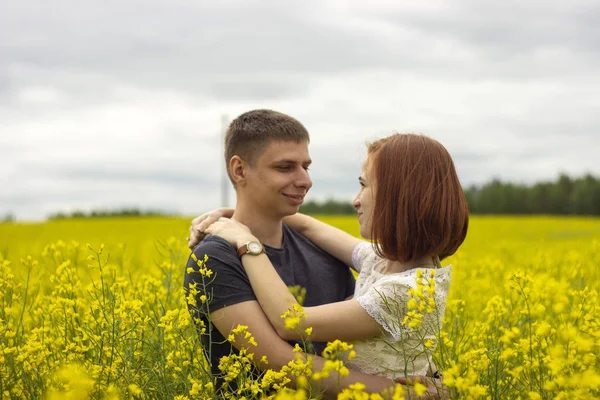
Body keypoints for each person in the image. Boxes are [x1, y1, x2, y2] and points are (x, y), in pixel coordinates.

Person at [193, 133, 468, 387]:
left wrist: (247, 242)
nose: (355, 200)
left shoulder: (404, 292)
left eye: (364, 185)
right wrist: (237, 212)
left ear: (399, 198)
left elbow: (290, 322)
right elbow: (310, 226)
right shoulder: (383, 261)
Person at [184, 109, 414, 397]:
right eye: (285, 167)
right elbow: (279, 363)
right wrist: (404, 393)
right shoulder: (215, 258)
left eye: (306, 166)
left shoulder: (323, 248)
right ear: (239, 170)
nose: (305, 180)